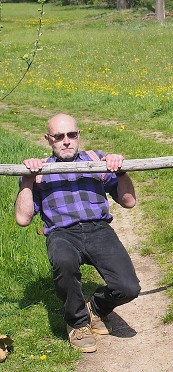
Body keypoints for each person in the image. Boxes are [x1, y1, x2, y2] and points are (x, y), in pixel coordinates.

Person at [15, 113, 141, 353]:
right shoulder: (40, 169)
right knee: (64, 261)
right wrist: (28, 179)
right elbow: (22, 219)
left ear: (78, 135)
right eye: (59, 136)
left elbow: (128, 202)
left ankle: (96, 308)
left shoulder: (96, 160)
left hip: (98, 229)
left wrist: (121, 171)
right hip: (62, 233)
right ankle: (78, 323)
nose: (66, 141)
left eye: (71, 134)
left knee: (128, 288)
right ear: (48, 139)